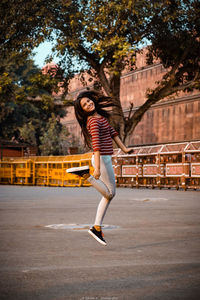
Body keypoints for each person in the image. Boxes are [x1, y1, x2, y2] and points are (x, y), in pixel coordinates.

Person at [67, 90, 133, 246]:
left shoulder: (100, 118)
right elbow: (96, 146)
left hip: (105, 158)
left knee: (108, 195)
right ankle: (85, 175)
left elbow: (113, 133)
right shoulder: (93, 121)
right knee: (111, 193)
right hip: (101, 159)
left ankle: (97, 227)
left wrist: (124, 149)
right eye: (85, 104)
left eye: (89, 101)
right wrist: (96, 168)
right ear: (82, 110)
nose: (89, 104)